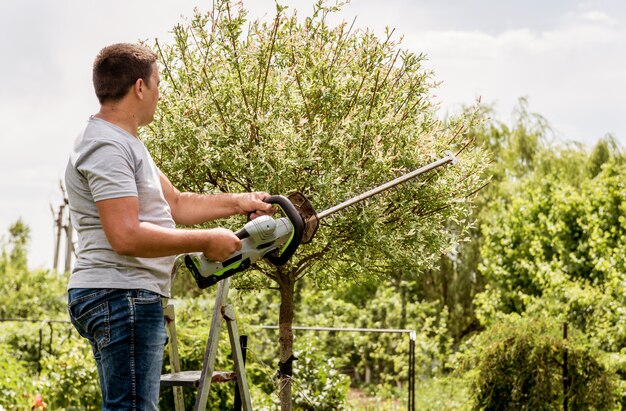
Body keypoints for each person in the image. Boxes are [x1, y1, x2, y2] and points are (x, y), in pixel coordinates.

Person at [64, 43, 273, 410]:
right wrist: (206, 241)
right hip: (121, 293)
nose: (161, 94)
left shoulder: (126, 144)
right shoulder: (107, 146)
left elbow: (175, 204)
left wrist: (241, 201)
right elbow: (125, 236)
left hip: (120, 292)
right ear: (140, 87)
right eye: (158, 83)